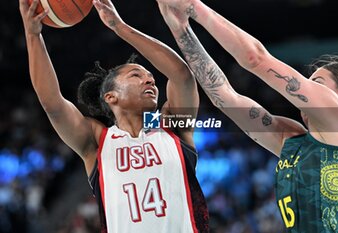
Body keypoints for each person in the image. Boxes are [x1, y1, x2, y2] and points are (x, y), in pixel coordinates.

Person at [156, 0, 338, 232]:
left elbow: (254, 58)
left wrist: (192, 5)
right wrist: (181, 29)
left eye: (316, 84)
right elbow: (226, 98)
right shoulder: (291, 140)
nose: (308, 89)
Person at [19, 0, 210, 232]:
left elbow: (182, 76)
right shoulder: (97, 142)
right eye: (135, 75)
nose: (150, 80)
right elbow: (53, 104)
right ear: (111, 97)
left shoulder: (173, 126)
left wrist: (120, 27)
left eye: (150, 76)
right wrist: (33, 35)